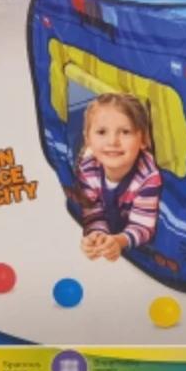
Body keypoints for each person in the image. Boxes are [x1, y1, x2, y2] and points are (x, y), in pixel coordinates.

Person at [74, 93, 162, 262]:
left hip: (132, 231)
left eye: (125, 132)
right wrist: (97, 237)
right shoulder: (87, 169)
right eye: (102, 132)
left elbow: (143, 226)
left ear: (143, 139)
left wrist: (119, 241)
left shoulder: (148, 176)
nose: (113, 141)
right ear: (88, 139)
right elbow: (93, 213)